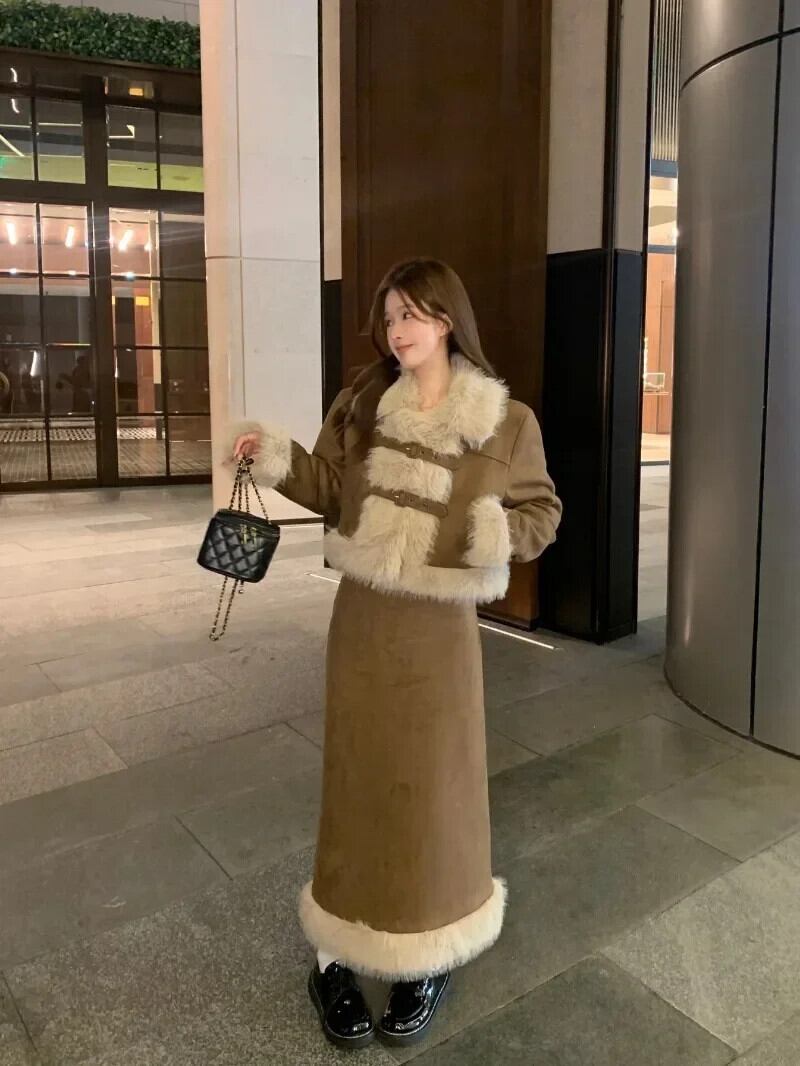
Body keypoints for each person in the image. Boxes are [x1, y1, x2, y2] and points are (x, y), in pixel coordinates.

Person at [228, 258, 562, 1051]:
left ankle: (428, 952)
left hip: (442, 634)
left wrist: (497, 534)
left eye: (411, 314)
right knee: (357, 780)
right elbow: (327, 485)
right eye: (389, 317)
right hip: (364, 622)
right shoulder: (362, 401)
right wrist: (270, 454)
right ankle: (335, 952)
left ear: (447, 319)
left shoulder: (506, 419)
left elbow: (542, 511)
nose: (397, 330)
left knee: (437, 789)